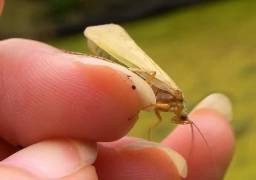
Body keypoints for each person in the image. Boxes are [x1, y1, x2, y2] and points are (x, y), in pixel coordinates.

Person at [0, 2, 234, 179]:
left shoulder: (171, 104)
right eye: (182, 117)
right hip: (141, 74)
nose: (178, 119)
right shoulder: (175, 97)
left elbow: (154, 108)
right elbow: (152, 95)